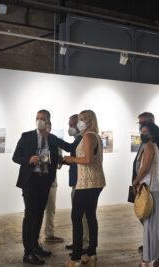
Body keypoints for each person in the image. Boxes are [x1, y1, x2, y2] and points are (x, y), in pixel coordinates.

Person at [12, 109, 61, 265]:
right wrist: (29, 159)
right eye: (37, 118)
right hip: (30, 181)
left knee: (39, 214)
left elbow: (56, 158)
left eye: (43, 118)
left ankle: (35, 246)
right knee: (30, 215)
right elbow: (15, 157)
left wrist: (60, 160)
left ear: (48, 121)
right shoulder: (26, 136)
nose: (39, 120)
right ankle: (28, 253)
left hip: (45, 181)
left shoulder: (53, 138)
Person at [63, 110, 106, 266]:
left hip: (87, 183)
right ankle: (91, 252)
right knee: (90, 216)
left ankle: (75, 257)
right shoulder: (95, 136)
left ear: (90, 121)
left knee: (76, 218)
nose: (79, 122)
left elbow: (87, 159)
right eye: (79, 119)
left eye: (82, 119)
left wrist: (71, 159)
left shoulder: (88, 136)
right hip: (95, 181)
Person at [133, 112, 159, 254]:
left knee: (152, 217)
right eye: (139, 124)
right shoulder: (147, 140)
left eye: (143, 123)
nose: (141, 127)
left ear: (151, 123)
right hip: (141, 184)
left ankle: (152, 248)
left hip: (150, 184)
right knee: (144, 214)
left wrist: (155, 177)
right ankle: (150, 244)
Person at [59, 114, 89, 252]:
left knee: (82, 215)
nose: (70, 128)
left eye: (72, 125)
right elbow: (73, 157)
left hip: (81, 181)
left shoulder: (82, 139)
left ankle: (84, 243)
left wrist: (55, 140)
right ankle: (79, 241)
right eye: (69, 125)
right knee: (78, 215)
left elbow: (76, 157)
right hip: (76, 181)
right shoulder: (78, 139)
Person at [42, 121, 64, 244]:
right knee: (36, 209)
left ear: (50, 128)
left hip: (51, 180)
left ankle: (49, 235)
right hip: (36, 181)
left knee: (50, 208)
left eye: (47, 126)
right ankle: (34, 238)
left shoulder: (55, 142)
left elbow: (59, 163)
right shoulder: (33, 141)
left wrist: (56, 161)